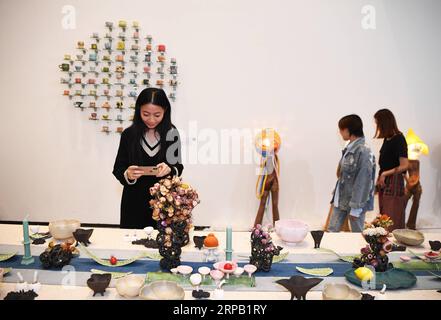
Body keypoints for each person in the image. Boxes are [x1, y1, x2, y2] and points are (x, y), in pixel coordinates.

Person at [113, 88, 183, 229]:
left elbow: (178, 168)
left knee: (163, 243)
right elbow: (118, 168)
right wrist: (128, 174)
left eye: (157, 115)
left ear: (165, 111)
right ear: (138, 111)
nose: (151, 120)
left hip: (164, 203)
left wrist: (169, 169)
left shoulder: (171, 133)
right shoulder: (129, 135)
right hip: (133, 202)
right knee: (131, 245)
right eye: (146, 114)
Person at [328, 115, 376, 232]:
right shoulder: (349, 148)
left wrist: (356, 207)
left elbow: (363, 181)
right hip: (341, 199)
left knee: (357, 234)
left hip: (355, 202)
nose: (340, 132)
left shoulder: (363, 151)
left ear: (348, 129)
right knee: (331, 231)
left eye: (341, 129)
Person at [374, 108, 409, 230]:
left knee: (392, 216)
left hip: (394, 181)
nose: (377, 126)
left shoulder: (399, 139)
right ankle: (384, 244)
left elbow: (405, 165)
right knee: (385, 215)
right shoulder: (387, 139)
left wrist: (384, 174)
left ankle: (394, 245)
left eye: (378, 123)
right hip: (385, 181)